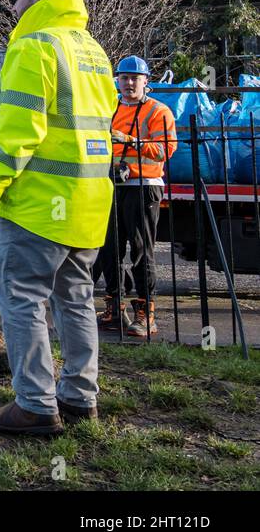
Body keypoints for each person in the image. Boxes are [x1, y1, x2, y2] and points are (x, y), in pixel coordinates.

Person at [0, 0, 117, 435]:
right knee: (75, 298)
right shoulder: (93, 51)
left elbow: (18, 129)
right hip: (88, 200)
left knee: (20, 296)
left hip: (40, 201)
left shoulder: (35, 47)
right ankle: (79, 397)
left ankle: (35, 404)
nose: (12, 8)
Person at [96, 56, 177, 337]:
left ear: (146, 81)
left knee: (141, 249)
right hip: (112, 184)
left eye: (135, 78)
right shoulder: (110, 108)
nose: (129, 83)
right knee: (109, 249)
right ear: (117, 80)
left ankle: (146, 313)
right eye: (124, 78)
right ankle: (114, 307)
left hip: (144, 185)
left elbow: (165, 150)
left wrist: (131, 141)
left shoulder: (158, 111)